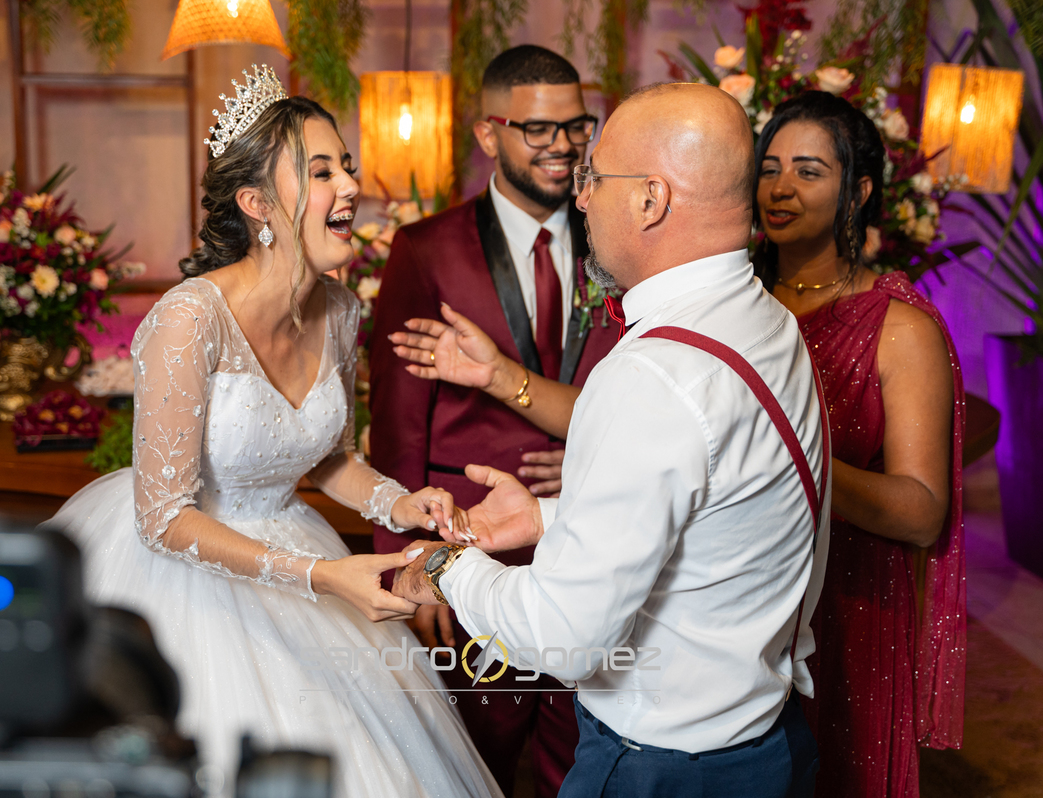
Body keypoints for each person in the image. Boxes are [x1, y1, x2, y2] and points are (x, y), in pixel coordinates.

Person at [48, 67, 501, 798]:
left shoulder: (342, 311)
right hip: (181, 570)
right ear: (257, 203)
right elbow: (163, 519)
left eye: (345, 166)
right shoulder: (189, 319)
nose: (350, 186)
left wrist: (399, 502)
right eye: (321, 172)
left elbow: (327, 458)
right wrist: (320, 576)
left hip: (297, 541)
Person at [390, 82, 828, 798]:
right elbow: (721, 508)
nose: (582, 197)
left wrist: (448, 568)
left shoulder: (653, 375)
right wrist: (548, 516)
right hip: (769, 737)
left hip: (663, 766)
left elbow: (563, 634)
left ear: (652, 200)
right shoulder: (768, 320)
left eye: (595, 177)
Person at [368, 45, 619, 797]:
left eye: (576, 126)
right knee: (470, 766)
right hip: (467, 549)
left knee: (581, 763)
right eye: (538, 129)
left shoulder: (616, 244)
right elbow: (398, 428)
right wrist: (409, 565)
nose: (563, 145)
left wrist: (594, 456)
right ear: (488, 135)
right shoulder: (426, 250)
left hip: (591, 548)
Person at [753, 91, 965, 797]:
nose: (780, 187)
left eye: (808, 171)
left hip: (850, 604)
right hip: (737, 591)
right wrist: (511, 382)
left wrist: (794, 461)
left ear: (860, 189)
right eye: (770, 167)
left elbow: (922, 512)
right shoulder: (735, 305)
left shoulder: (899, 328)